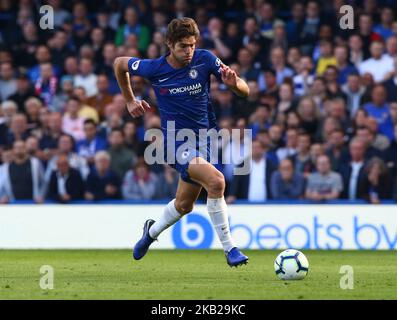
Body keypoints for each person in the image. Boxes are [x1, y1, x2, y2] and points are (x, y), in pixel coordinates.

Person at [114, 17, 250, 266]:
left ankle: (150, 232)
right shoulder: (154, 68)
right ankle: (230, 249)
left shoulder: (205, 59)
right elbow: (119, 63)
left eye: (192, 45)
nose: (188, 51)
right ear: (169, 44)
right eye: (182, 46)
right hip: (176, 142)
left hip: (205, 141)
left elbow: (245, 89)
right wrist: (129, 100)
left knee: (184, 205)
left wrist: (234, 86)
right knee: (217, 181)